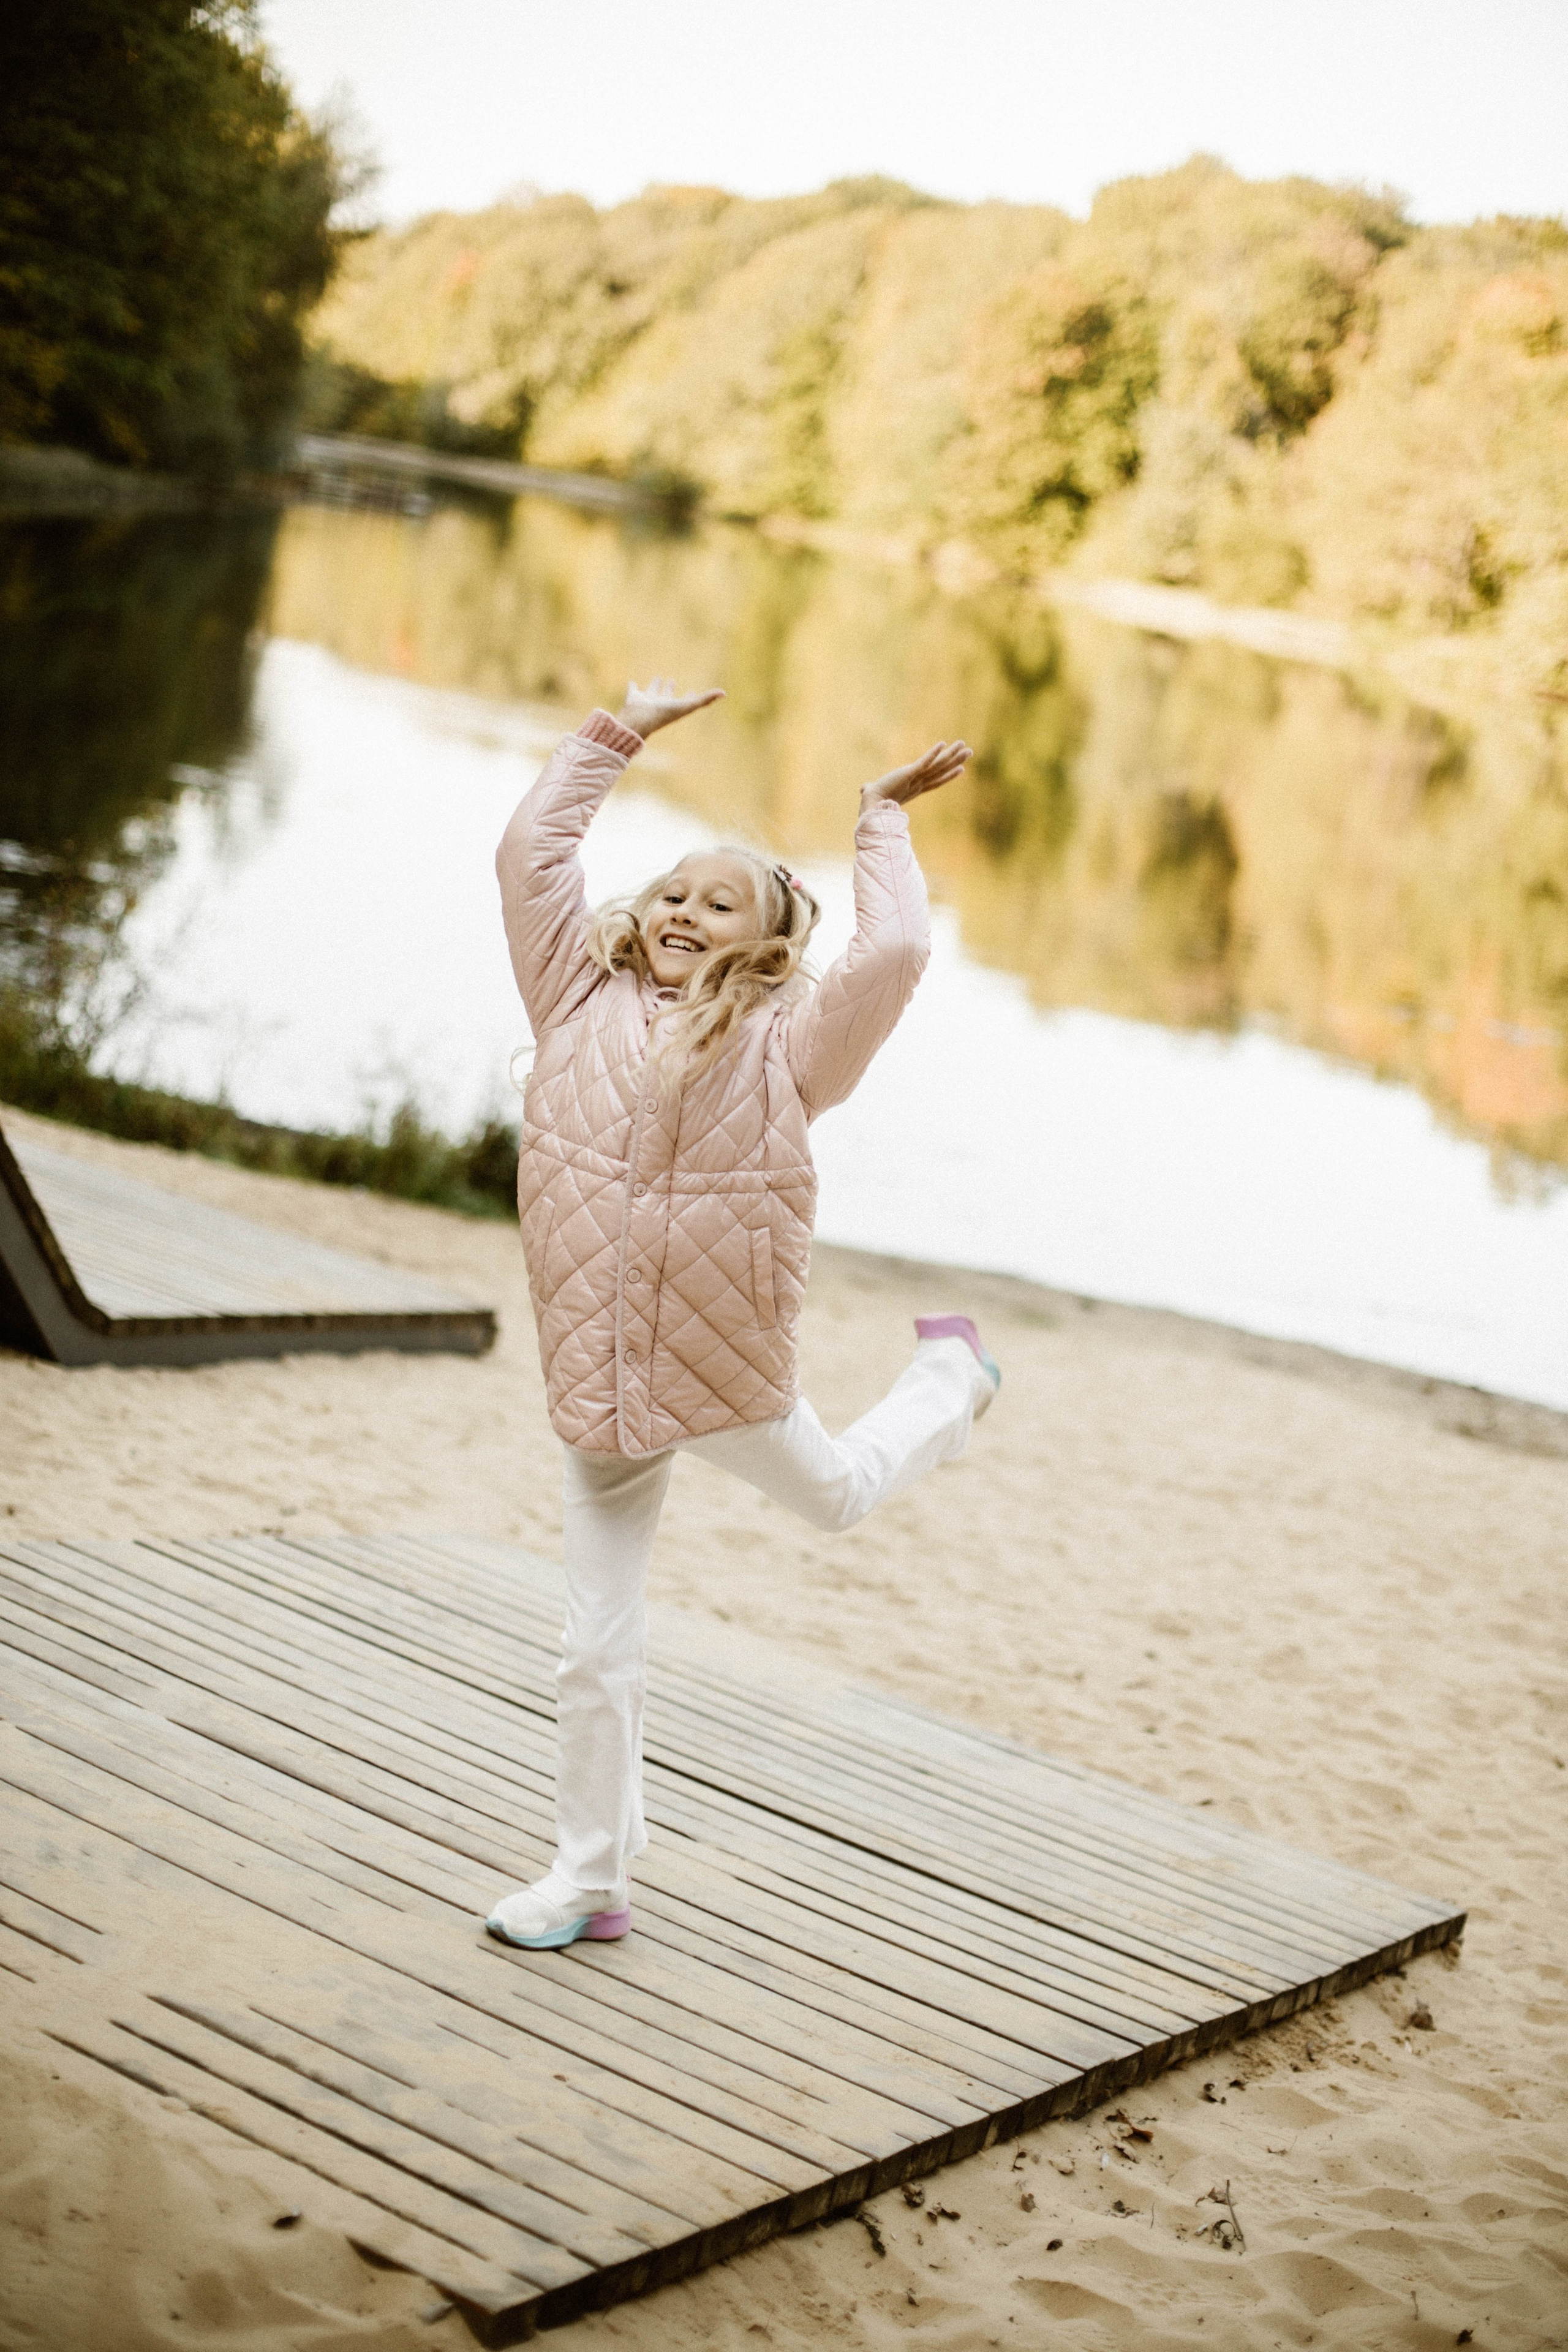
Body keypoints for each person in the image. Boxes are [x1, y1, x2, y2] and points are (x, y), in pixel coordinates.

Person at [485, 677, 1000, 1948]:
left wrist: (879, 820)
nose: (682, 912)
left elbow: (890, 952)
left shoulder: (793, 1044)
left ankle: (949, 1386)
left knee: (829, 1499)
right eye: (671, 891)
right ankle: (590, 1880)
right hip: (599, 1385)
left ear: (765, 946)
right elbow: (528, 852)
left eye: (720, 903)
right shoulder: (571, 994)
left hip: (716, 1376)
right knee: (590, 1648)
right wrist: (615, 736)